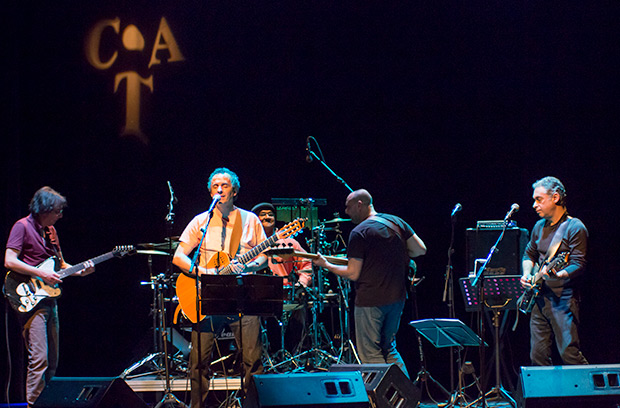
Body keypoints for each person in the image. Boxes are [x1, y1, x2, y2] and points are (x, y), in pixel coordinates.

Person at [172, 168, 267, 408]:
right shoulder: (200, 221)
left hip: (241, 293)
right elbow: (179, 256)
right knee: (198, 361)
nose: (220, 190)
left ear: (234, 191)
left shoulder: (250, 220)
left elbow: (264, 257)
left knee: (252, 360)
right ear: (209, 191)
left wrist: (248, 267)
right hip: (208, 295)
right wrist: (203, 273)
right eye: (215, 186)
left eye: (224, 186)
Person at [312, 189, 426, 377]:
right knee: (389, 349)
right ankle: (407, 399)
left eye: (348, 207)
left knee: (371, 354)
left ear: (360, 204)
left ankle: (383, 402)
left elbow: (352, 273)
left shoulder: (360, 232)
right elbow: (420, 250)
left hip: (370, 301)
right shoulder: (395, 221)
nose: (346, 212)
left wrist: (326, 265)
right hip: (397, 298)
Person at [4, 186, 95, 407]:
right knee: (39, 358)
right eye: (57, 211)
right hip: (29, 299)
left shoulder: (51, 231)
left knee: (52, 361)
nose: (60, 216)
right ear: (44, 210)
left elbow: (61, 264)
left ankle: (48, 402)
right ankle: (34, 404)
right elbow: (9, 260)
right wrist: (40, 272)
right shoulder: (22, 226)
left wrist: (81, 270)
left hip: (49, 299)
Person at [520, 176, 589, 365]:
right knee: (538, 356)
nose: (534, 205)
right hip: (539, 298)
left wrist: (560, 274)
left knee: (569, 354)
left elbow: (577, 263)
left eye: (539, 199)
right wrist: (527, 274)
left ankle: (591, 394)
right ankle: (548, 396)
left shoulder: (575, 227)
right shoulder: (538, 227)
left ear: (555, 197)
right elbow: (529, 255)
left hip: (563, 299)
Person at [251, 202, 312, 355]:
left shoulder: (288, 242)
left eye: (270, 214)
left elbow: (307, 264)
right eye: (263, 214)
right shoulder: (247, 244)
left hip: (284, 295)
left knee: (299, 311)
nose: (267, 217)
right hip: (253, 296)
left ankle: (295, 355)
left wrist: (301, 284)